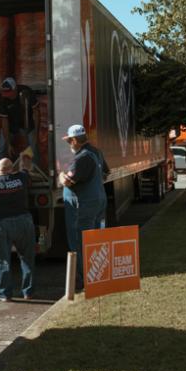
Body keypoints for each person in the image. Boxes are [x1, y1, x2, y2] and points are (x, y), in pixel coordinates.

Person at [0, 157, 36, 302]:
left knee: (2, 260)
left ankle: (4, 294)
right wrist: (25, 164)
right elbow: (27, 171)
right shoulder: (21, 178)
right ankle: (28, 292)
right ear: (11, 169)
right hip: (24, 222)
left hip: (2, 225)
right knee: (27, 258)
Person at [60, 124, 107, 291]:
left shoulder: (82, 158)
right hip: (97, 201)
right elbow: (105, 173)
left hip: (83, 206)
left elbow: (68, 181)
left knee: (80, 242)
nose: (69, 145)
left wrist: (60, 175)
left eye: (69, 142)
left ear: (74, 140)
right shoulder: (96, 153)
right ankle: (96, 274)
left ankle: (84, 280)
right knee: (95, 240)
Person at [0, 77, 38, 173]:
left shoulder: (26, 93)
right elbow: (4, 122)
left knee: (32, 145)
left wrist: (36, 131)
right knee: (2, 145)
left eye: (8, 92)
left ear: (15, 89)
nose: (6, 95)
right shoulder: (2, 100)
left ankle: (32, 172)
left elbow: (36, 112)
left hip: (28, 123)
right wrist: (8, 143)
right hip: (11, 125)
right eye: (4, 92)